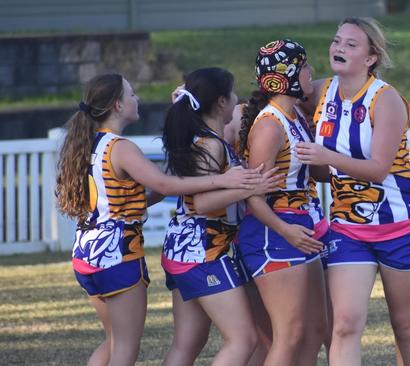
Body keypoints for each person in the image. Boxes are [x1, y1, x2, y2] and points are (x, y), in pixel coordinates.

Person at [55, 73, 262, 366]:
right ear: (117, 105)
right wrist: (221, 181)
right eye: (132, 94)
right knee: (126, 347)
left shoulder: (90, 143)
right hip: (118, 255)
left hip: (87, 254)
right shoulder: (120, 147)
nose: (136, 99)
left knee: (115, 341)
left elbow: (138, 196)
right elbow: (165, 186)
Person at [295, 17, 410, 366]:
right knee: (343, 325)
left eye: (351, 44)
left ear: (371, 58)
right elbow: (274, 104)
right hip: (348, 227)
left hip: (400, 224)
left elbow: (378, 169)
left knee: (404, 324)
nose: (338, 48)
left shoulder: (386, 100)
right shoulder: (321, 92)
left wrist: (325, 156)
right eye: (336, 40)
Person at [160, 68, 283, 366]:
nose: (236, 99)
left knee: (187, 343)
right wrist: (248, 187)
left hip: (182, 250)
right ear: (220, 102)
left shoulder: (206, 137)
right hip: (203, 252)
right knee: (243, 340)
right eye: (232, 94)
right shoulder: (210, 144)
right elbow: (201, 203)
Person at [235, 38, 327, 366]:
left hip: (301, 226)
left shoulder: (298, 118)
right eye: (304, 67)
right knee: (290, 333)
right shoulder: (270, 127)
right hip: (275, 232)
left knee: (316, 330)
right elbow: (253, 197)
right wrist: (285, 231)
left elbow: (321, 173)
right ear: (286, 75)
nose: (311, 72)